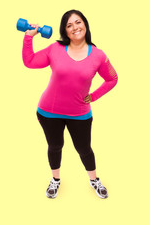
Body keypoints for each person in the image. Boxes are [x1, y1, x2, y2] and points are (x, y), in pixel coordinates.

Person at [22, 10, 118, 199]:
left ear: (85, 24)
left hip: (80, 114)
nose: (75, 27)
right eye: (69, 25)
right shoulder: (55, 49)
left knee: (84, 149)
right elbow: (30, 61)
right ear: (65, 31)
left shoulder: (98, 55)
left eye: (78, 22)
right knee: (55, 146)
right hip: (48, 111)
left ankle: (94, 180)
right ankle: (55, 180)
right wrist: (28, 37)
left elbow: (112, 79)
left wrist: (94, 96)